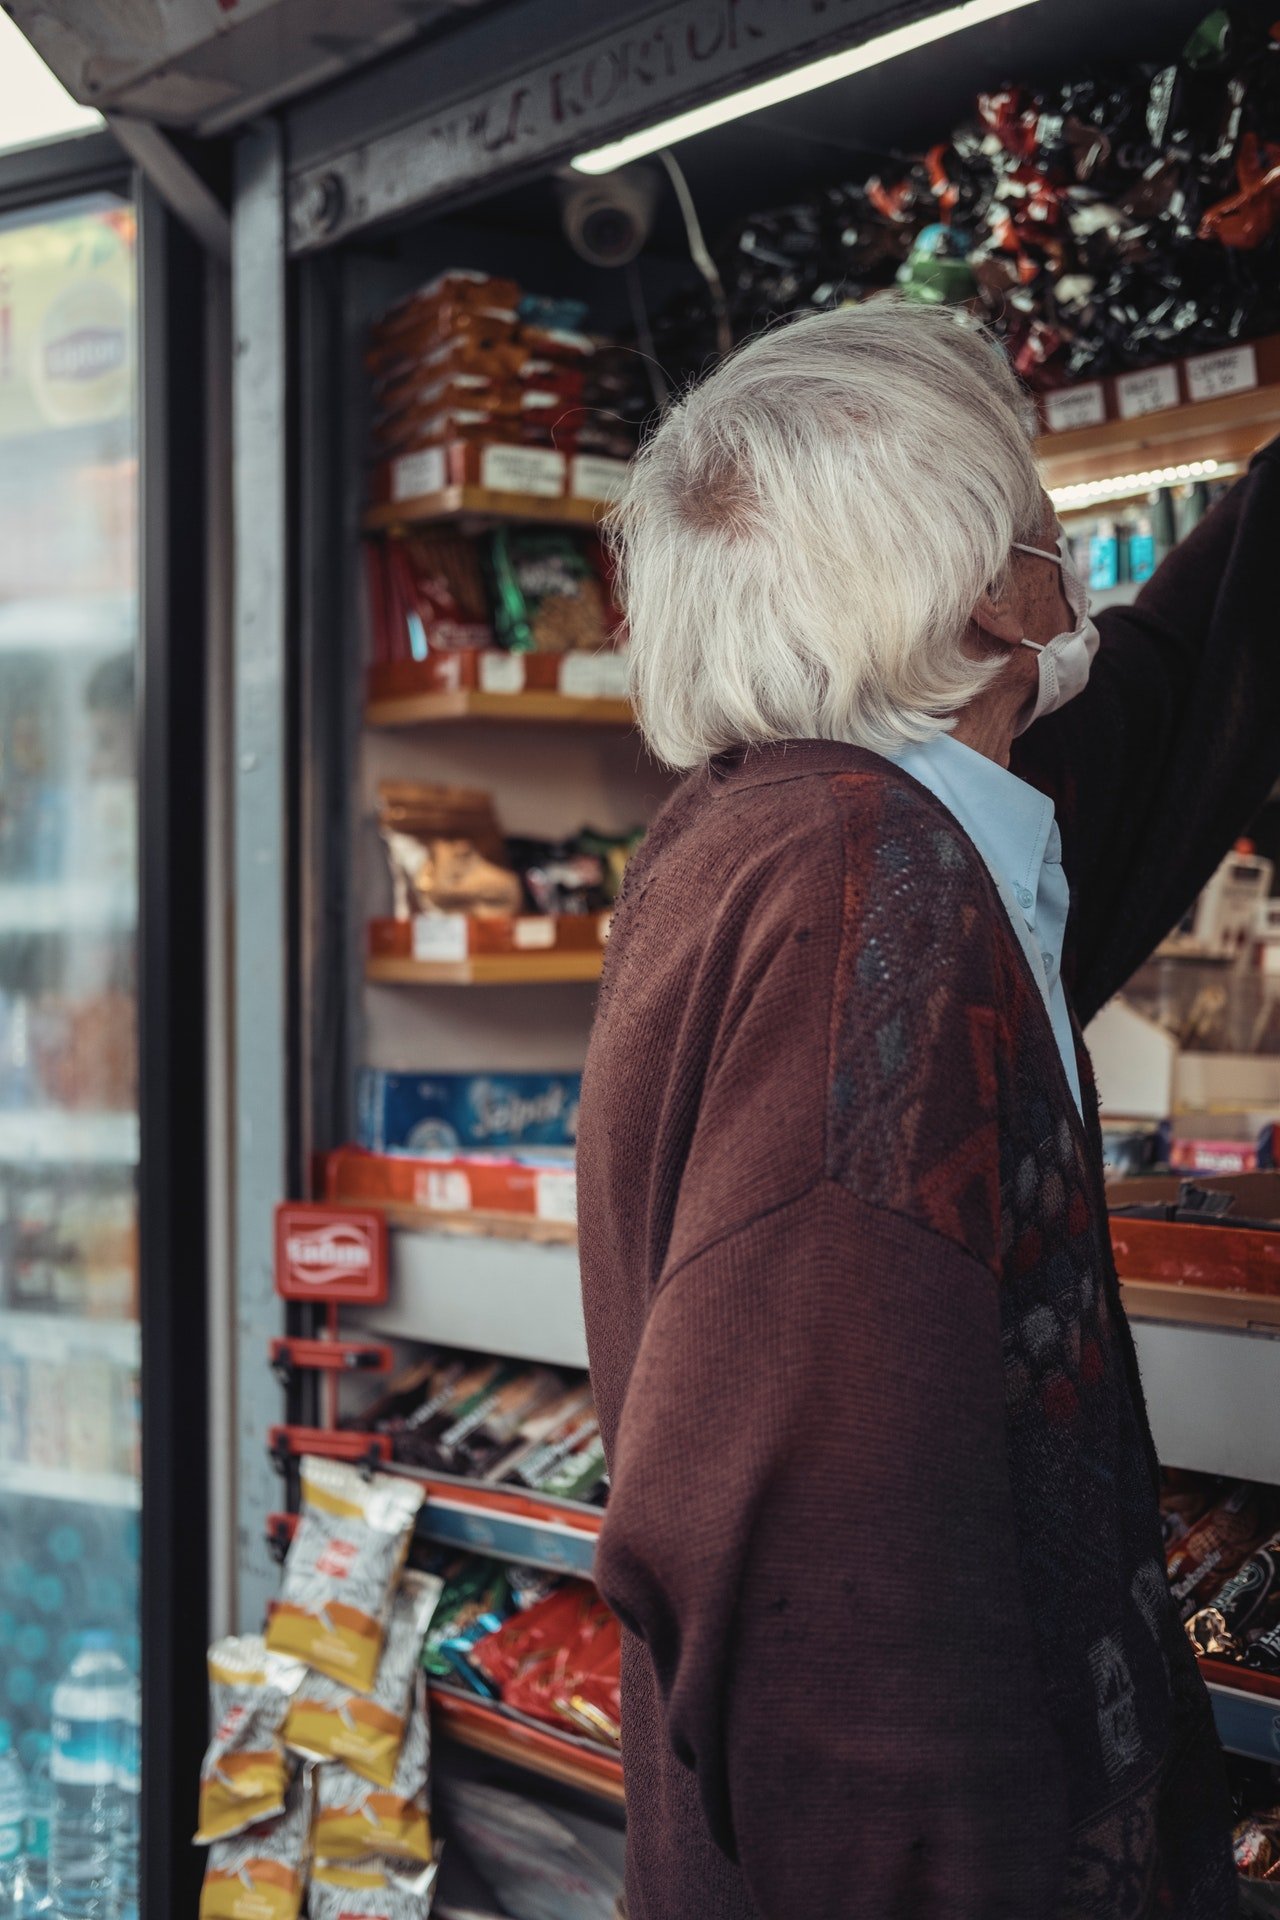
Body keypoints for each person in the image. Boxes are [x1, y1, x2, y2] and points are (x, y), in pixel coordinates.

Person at [576, 298, 1276, 1919]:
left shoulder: (778, 828)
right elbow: (828, 1560)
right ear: (973, 586)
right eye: (1030, 517)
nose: (1063, 557)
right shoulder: (867, 889)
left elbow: (1163, 709)